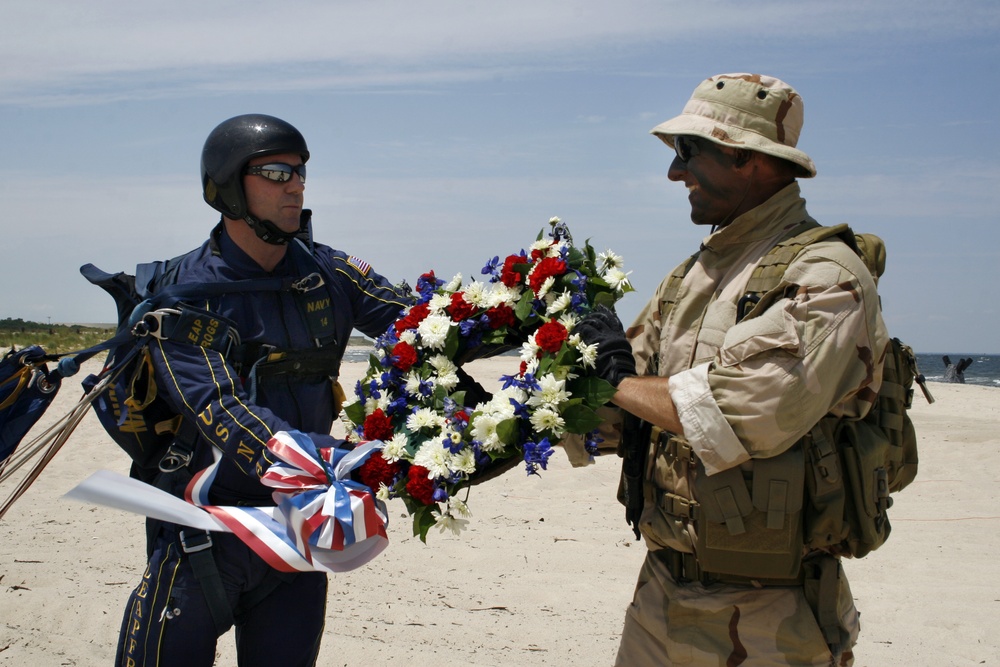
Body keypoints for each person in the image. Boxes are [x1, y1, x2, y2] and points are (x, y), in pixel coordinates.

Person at [575, 74, 889, 665]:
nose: (675, 173)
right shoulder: (690, 277)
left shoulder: (827, 275)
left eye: (688, 153)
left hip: (775, 614)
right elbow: (618, 418)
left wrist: (614, 380)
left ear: (745, 156)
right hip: (661, 595)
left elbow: (741, 414)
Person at [113, 114, 412, 666]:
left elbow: (425, 324)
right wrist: (329, 460)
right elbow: (217, 406)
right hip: (201, 532)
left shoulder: (331, 273)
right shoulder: (185, 296)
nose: (295, 185)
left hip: (299, 533)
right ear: (227, 186)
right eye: (276, 172)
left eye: (300, 172)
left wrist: (538, 310)